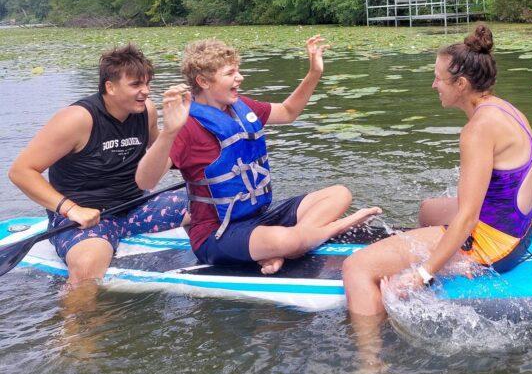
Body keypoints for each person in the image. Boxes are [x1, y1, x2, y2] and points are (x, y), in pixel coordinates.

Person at [343, 24, 532, 321]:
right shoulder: (503, 109)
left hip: (497, 247)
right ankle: (449, 259)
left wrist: (422, 274)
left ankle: (371, 365)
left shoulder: (477, 130)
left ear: (460, 84)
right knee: (427, 211)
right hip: (521, 235)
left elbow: (468, 218)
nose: (434, 85)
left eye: (438, 79)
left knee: (356, 267)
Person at [136, 36, 380, 273]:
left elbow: (287, 112)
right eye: (230, 73)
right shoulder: (186, 126)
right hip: (216, 234)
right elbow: (145, 181)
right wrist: (168, 132)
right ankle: (323, 231)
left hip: (260, 218)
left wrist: (314, 73)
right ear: (203, 81)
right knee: (290, 241)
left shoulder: (240, 108)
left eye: (237, 71)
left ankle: (291, 243)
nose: (240, 78)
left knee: (339, 194)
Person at [8, 44, 188, 288]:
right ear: (110, 87)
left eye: (147, 84)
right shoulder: (77, 119)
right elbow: (20, 171)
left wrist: (178, 130)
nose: (145, 92)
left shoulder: (146, 111)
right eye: (136, 85)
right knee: (88, 268)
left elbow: (164, 157)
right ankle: (77, 324)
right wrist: (72, 210)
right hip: (87, 218)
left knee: (214, 200)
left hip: (136, 206)